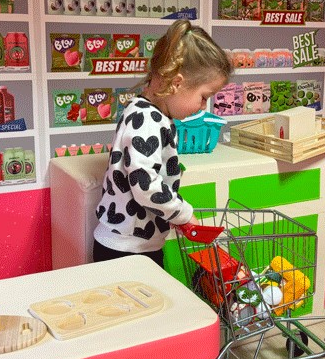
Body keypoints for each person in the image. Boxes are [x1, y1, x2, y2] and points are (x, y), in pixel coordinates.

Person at [92, 20, 233, 267]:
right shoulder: (147, 119)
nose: (202, 107)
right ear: (176, 83)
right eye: (203, 97)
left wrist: (172, 216)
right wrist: (183, 213)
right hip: (127, 250)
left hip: (136, 243)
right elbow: (145, 185)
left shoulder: (150, 114)